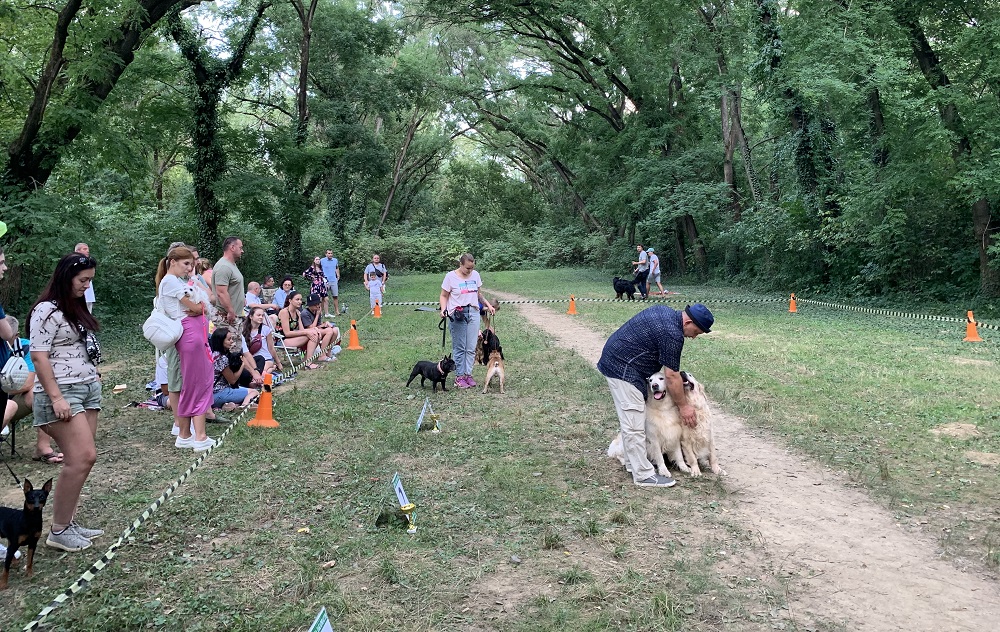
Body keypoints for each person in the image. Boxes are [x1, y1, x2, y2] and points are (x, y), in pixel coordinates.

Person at [28, 253, 105, 552]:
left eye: (90, 280)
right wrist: (57, 397)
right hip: (62, 393)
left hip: (87, 388)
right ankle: (59, 530)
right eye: (82, 280)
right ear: (65, 276)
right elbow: (38, 356)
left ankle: (67, 522)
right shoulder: (45, 311)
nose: (87, 286)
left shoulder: (74, 305)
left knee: (81, 461)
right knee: (82, 457)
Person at [597, 303, 714, 488]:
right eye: (697, 332)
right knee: (634, 423)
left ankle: (632, 463)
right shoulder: (672, 334)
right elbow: (672, 376)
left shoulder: (667, 313)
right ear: (689, 322)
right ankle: (643, 475)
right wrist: (684, 407)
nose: (694, 337)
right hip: (622, 368)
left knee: (633, 419)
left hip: (619, 361)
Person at [155, 246, 215, 452]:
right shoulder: (171, 281)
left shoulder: (173, 281)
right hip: (189, 334)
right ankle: (197, 436)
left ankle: (187, 433)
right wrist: (200, 309)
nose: (190, 269)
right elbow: (198, 307)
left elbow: (201, 305)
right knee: (197, 382)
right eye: (186, 264)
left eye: (191, 264)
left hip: (191, 333)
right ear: (173, 262)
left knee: (195, 382)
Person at [1, 316, 62, 463]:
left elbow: (28, 382)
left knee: (40, 390)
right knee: (9, 406)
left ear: (15, 336)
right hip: (9, 397)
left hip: (13, 398)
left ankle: (43, 447)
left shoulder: (26, 347)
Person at [439, 254, 495, 389]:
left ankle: (468, 374)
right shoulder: (450, 277)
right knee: (460, 347)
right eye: (467, 268)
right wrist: (443, 309)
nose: (470, 271)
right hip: (458, 314)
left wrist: (488, 305)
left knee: (470, 347)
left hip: (473, 313)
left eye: (472, 268)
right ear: (461, 264)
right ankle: (459, 377)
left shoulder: (475, 275)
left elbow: (478, 294)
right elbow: (443, 295)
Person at [208, 328, 259, 409]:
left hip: (210, 393)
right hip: (218, 393)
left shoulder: (213, 354)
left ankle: (230, 405)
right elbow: (232, 380)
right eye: (229, 339)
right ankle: (244, 406)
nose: (232, 341)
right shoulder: (222, 358)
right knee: (254, 392)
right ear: (221, 341)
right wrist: (242, 365)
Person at [212, 236, 246, 347]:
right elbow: (221, 292)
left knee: (236, 351)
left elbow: (233, 286)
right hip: (226, 318)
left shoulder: (231, 265)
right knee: (230, 352)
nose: (242, 250)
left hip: (234, 316)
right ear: (232, 247)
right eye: (240, 248)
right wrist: (230, 311)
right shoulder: (223, 267)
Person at [276, 291, 322, 370]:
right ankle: (308, 363)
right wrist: (308, 332)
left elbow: (302, 330)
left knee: (315, 333)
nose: (300, 302)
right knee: (312, 334)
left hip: (293, 338)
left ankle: (306, 360)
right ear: (290, 301)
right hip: (282, 340)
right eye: (297, 299)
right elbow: (287, 333)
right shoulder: (284, 312)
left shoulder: (297, 312)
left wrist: (315, 329)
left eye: (300, 299)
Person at [242, 306, 282, 375]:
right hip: (252, 360)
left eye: (262, 315)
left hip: (266, 359)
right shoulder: (244, 330)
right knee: (252, 374)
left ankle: (272, 367)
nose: (261, 317)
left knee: (260, 373)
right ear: (251, 317)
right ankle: (272, 368)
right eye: (258, 315)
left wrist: (278, 362)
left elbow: (271, 348)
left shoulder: (266, 329)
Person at [300, 294, 339, 361]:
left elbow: (318, 325)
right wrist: (317, 315)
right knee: (329, 331)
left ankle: (328, 352)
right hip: (308, 332)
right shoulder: (305, 313)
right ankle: (322, 355)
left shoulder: (317, 310)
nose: (317, 306)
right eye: (315, 304)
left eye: (318, 304)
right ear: (309, 305)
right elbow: (311, 327)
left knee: (335, 330)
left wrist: (324, 324)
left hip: (316, 330)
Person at [75, 243, 96, 312]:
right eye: (84, 249)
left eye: (88, 249)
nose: (87, 251)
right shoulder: (74, 264)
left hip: (89, 295)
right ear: (77, 251)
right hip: (78, 295)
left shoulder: (89, 264)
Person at [320, 249, 342, 316]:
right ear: (326, 254)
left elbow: (336, 267)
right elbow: (318, 268)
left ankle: (337, 311)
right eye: (329, 253)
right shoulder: (322, 260)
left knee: (335, 296)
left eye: (331, 253)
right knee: (323, 297)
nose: (330, 255)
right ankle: (321, 312)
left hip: (333, 280)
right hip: (325, 281)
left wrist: (338, 274)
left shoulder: (335, 260)